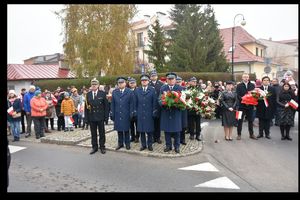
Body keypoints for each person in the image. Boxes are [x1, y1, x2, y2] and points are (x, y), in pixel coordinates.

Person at [159, 72, 183, 153]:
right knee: (167, 131)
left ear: (175, 80)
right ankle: (168, 146)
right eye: (169, 79)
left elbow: (183, 100)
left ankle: (177, 146)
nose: (170, 80)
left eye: (172, 79)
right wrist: (163, 103)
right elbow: (159, 99)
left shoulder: (179, 88)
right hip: (166, 112)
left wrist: (177, 103)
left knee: (177, 131)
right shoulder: (163, 88)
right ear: (167, 80)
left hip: (176, 113)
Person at [85, 78, 109, 154]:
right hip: (92, 117)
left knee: (102, 133)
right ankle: (94, 147)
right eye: (92, 84)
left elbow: (106, 107)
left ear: (98, 85)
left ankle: (102, 147)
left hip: (100, 117)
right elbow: (86, 108)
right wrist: (86, 119)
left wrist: (106, 117)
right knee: (93, 133)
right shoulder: (88, 94)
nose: (94, 86)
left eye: (95, 84)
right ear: (91, 86)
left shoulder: (103, 93)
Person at [135, 74, 158, 151]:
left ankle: (150, 145)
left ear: (148, 81)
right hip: (140, 113)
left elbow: (155, 101)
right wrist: (136, 112)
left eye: (145, 80)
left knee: (149, 131)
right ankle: (143, 145)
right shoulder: (137, 90)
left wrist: (154, 111)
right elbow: (135, 102)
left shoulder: (152, 89)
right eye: (142, 81)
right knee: (141, 131)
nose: (144, 82)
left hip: (149, 113)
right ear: (141, 82)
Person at [111, 77, 135, 150]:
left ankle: (127, 143)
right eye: (119, 83)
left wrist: (131, 113)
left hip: (126, 113)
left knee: (127, 130)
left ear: (125, 83)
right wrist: (112, 113)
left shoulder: (129, 92)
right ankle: (120, 143)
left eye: (122, 83)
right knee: (119, 130)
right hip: (118, 113)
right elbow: (112, 104)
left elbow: (132, 104)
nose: (120, 84)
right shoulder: (115, 92)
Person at [236, 73, 257, 140]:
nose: (246, 78)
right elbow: (237, 95)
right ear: (242, 78)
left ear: (249, 78)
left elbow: (255, 95)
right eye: (244, 77)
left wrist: (251, 101)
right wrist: (243, 99)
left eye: (247, 77)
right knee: (239, 120)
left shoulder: (252, 85)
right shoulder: (239, 85)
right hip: (241, 106)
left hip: (250, 106)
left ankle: (251, 134)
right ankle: (239, 134)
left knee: (250, 120)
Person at [149, 70, 164, 144]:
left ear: (157, 76)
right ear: (150, 77)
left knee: (158, 123)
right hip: (150, 107)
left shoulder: (161, 84)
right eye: (152, 76)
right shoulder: (148, 84)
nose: (153, 77)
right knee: (151, 123)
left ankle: (158, 137)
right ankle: (152, 137)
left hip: (158, 107)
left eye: (154, 75)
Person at [187, 77, 202, 141]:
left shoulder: (199, 89)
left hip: (198, 108)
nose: (194, 83)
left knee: (198, 123)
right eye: (193, 81)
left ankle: (198, 135)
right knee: (191, 123)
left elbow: (202, 97)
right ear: (189, 82)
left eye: (195, 81)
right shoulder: (187, 89)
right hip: (190, 108)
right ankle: (191, 134)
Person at [176, 76, 188, 145]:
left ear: (181, 82)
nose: (178, 83)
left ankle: (182, 139)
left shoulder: (184, 89)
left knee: (183, 125)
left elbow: (188, 98)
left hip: (183, 109)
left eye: (179, 82)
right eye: (177, 82)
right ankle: (176, 138)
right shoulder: (173, 89)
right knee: (176, 124)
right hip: (176, 109)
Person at [128, 78, 139, 143]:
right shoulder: (127, 91)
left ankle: (137, 137)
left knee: (137, 126)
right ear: (129, 84)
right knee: (131, 126)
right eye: (131, 83)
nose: (132, 84)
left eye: (133, 83)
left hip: (137, 111)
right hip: (129, 111)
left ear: (136, 83)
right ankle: (132, 137)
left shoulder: (138, 90)